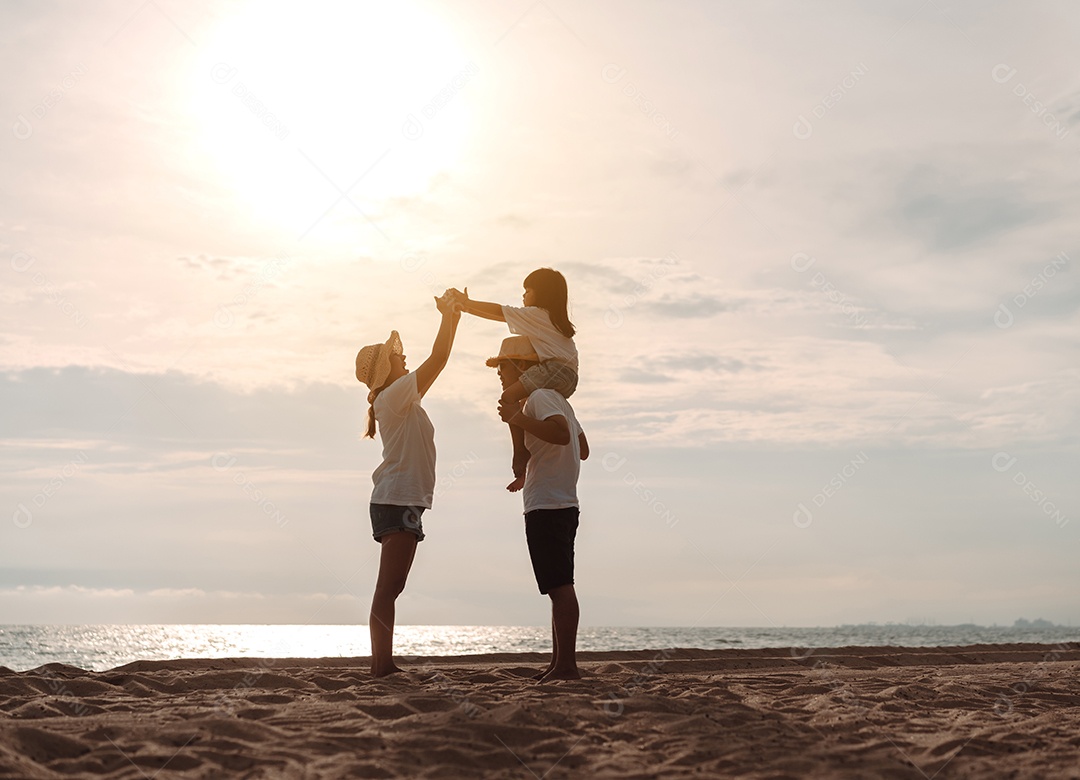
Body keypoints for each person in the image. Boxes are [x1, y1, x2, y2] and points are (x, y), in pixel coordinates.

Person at [354, 292, 460, 677]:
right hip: (397, 499)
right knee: (389, 587)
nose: (404, 358)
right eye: (398, 357)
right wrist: (450, 316)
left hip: (403, 500)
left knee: (391, 587)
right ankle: (381, 665)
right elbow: (440, 359)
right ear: (387, 370)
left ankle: (383, 663)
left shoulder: (400, 399)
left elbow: (437, 361)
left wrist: (454, 316)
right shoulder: (394, 396)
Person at [488, 336, 589, 681]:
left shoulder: (540, 397)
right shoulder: (557, 400)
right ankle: (559, 662)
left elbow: (560, 435)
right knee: (556, 586)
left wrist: (519, 418)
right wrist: (526, 468)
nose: (499, 375)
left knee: (560, 586)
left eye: (502, 367)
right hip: (560, 501)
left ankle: (566, 666)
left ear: (520, 367)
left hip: (548, 504)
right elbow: (582, 447)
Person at [448, 268, 578, 493]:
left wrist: (467, 304)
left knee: (508, 397)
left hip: (555, 370)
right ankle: (523, 443)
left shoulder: (538, 315)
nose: (524, 296)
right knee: (524, 399)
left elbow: (500, 312)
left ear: (542, 293)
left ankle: (520, 450)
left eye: (527, 290)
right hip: (570, 378)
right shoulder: (557, 323)